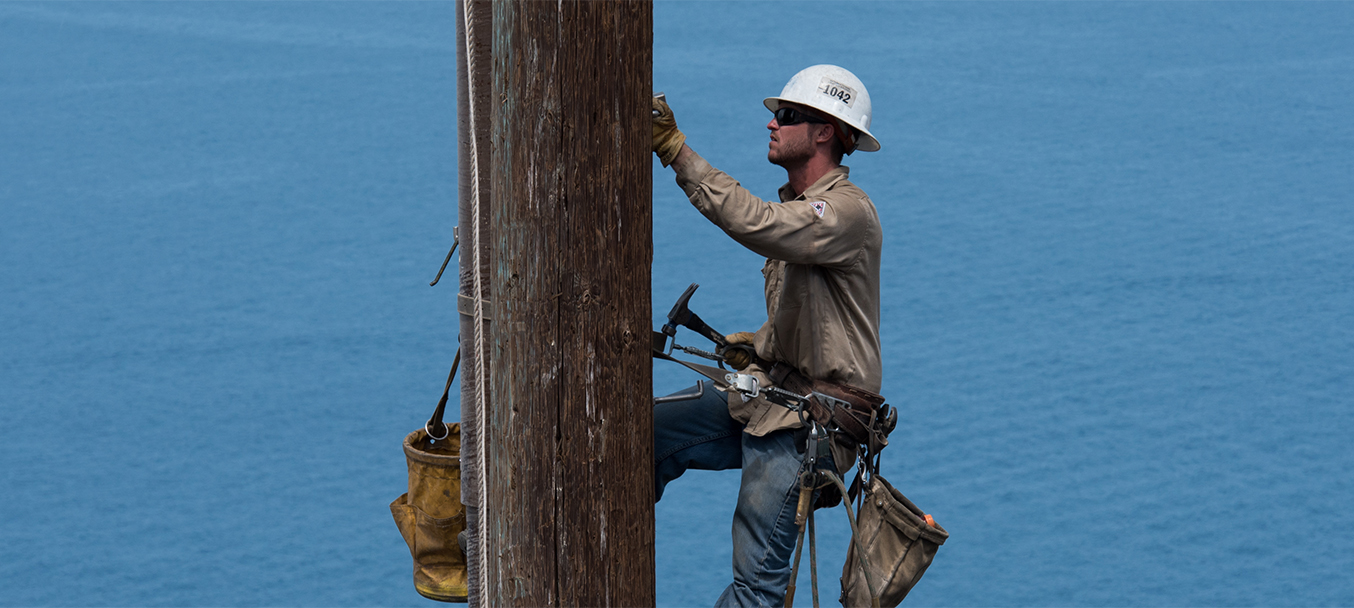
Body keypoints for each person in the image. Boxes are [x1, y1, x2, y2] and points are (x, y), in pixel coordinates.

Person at [651, 65, 884, 607]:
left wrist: (676, 151)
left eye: (786, 116)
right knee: (639, 437)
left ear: (825, 131)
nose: (772, 125)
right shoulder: (806, 211)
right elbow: (818, 321)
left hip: (813, 423)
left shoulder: (846, 213)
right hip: (772, 393)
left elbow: (759, 224)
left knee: (757, 589)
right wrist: (755, 345)